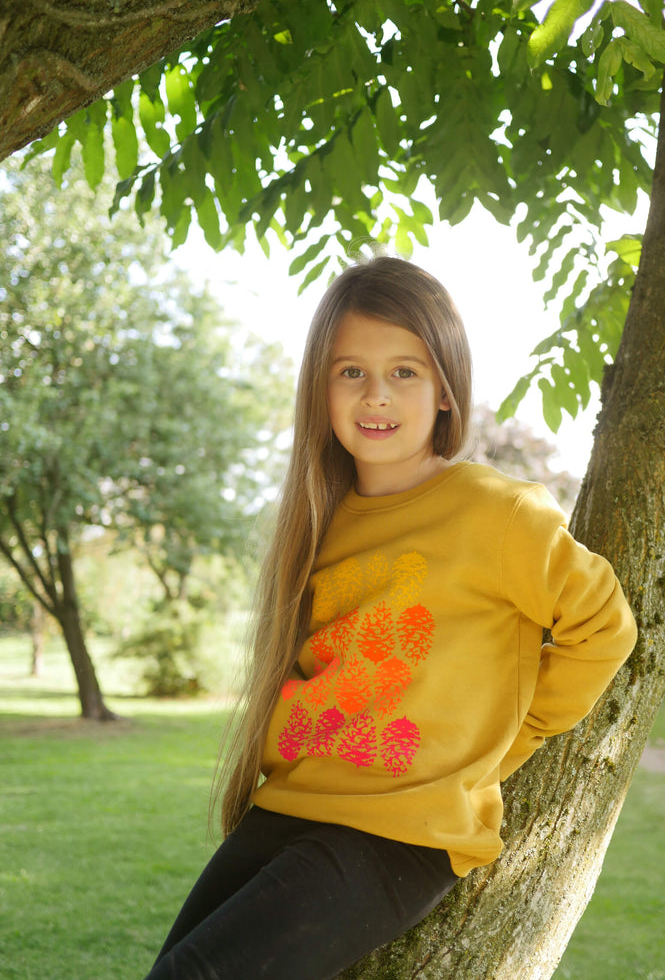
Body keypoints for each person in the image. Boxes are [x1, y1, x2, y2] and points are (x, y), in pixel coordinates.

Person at [143, 256, 638, 980]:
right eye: (350, 372)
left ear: (444, 388)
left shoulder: (495, 511)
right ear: (321, 387)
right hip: (288, 809)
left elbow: (605, 626)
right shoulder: (320, 517)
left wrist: (511, 741)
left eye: (405, 371)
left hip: (397, 834)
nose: (376, 394)